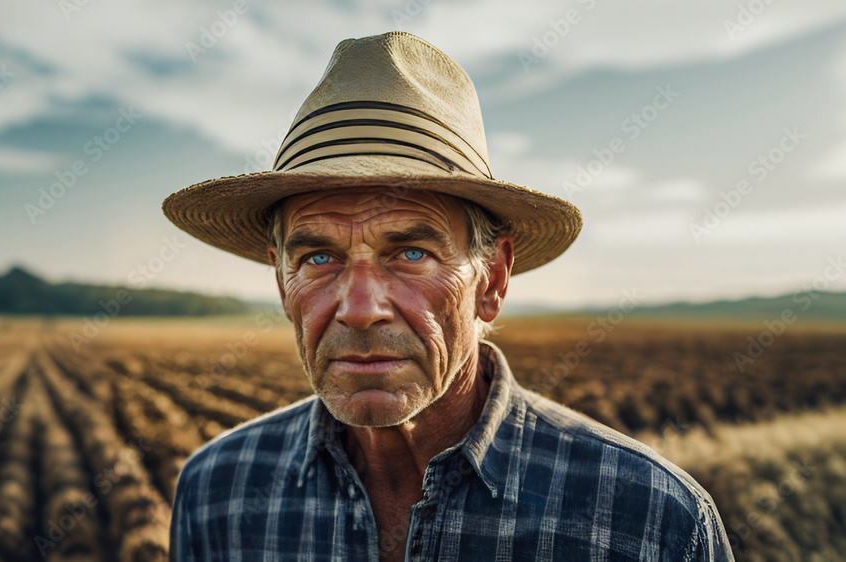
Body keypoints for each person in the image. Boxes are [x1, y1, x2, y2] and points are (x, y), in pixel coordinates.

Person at [162, 31, 733, 561]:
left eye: (411, 254)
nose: (360, 309)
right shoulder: (218, 493)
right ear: (281, 281)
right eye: (317, 258)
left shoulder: (651, 523)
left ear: (492, 280)